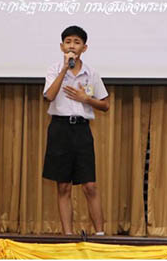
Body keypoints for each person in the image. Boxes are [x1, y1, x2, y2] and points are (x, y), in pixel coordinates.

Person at [42, 25, 109, 236]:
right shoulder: (53, 70)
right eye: (68, 42)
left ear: (84, 48)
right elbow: (49, 96)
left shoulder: (91, 73)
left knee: (90, 185)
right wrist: (64, 70)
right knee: (63, 187)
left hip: (81, 130)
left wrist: (86, 99)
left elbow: (105, 105)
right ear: (62, 46)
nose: (72, 46)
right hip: (60, 129)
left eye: (77, 42)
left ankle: (100, 235)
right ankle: (68, 237)